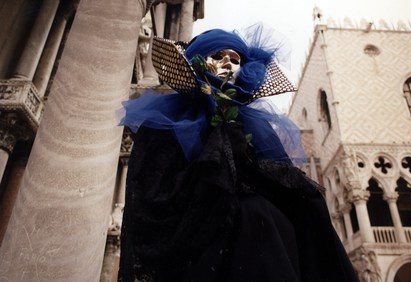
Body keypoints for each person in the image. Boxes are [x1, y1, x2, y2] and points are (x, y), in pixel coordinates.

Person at [117, 24, 359, 282]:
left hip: (258, 241)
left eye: (235, 59)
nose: (228, 64)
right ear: (199, 61)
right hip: (192, 243)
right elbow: (150, 193)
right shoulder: (166, 121)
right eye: (218, 55)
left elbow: (283, 187)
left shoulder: (256, 126)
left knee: (266, 213)